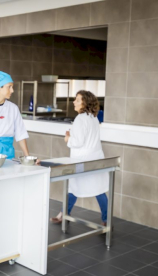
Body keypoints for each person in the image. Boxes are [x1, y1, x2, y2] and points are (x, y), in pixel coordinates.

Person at [50, 90, 109, 226]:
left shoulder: (80, 119)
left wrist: (68, 138)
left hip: (82, 160)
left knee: (74, 187)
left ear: (85, 103)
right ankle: (106, 220)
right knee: (97, 189)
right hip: (95, 159)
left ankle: (63, 214)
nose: (73, 102)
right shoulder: (93, 117)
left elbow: (78, 142)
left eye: (77, 99)